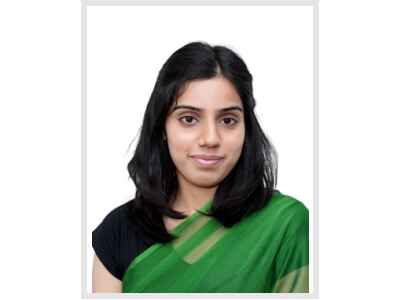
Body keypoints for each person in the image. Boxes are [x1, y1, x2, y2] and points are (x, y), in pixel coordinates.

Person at [92, 41, 309, 293]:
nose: (210, 139)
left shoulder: (284, 224)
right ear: (162, 127)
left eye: (228, 120)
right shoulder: (117, 232)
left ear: (246, 128)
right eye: (189, 119)